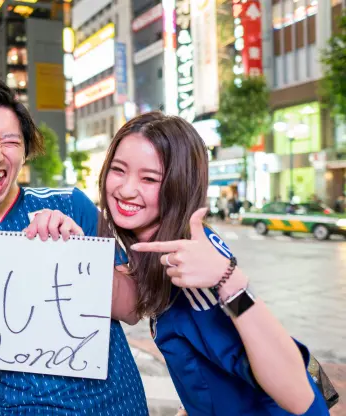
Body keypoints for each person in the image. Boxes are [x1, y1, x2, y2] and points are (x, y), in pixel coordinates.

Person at [0, 78, 148, 415]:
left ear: (24, 152)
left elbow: (134, 308)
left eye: (10, 142)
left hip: (118, 404)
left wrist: (79, 254)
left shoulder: (71, 204)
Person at [97, 111, 329, 415]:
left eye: (149, 178)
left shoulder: (194, 265)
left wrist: (228, 279)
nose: (126, 189)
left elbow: (299, 396)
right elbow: (130, 306)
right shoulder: (157, 252)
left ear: (179, 185)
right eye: (118, 170)